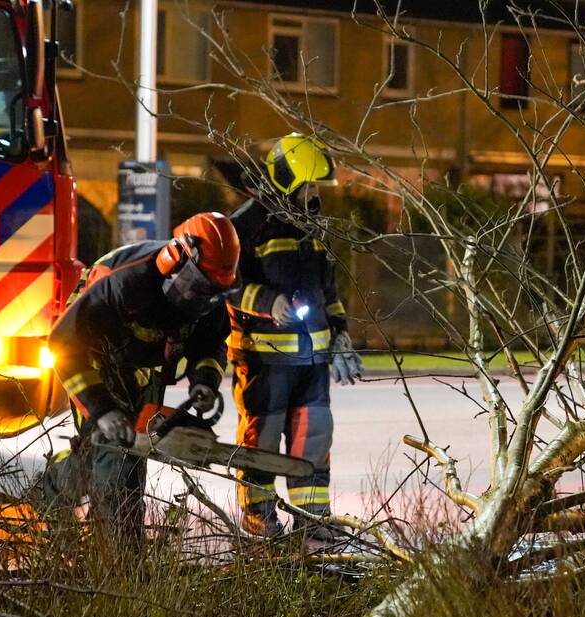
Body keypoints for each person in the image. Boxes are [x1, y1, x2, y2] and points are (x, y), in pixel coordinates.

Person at [42, 212, 239, 544]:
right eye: (197, 286)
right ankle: (114, 554)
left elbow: (210, 342)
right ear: (175, 261)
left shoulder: (210, 288)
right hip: (94, 360)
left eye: (212, 291)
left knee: (134, 455)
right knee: (109, 450)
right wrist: (102, 409)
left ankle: (124, 543)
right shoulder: (123, 281)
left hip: (144, 366)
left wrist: (204, 379)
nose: (201, 298)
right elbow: (63, 344)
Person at [227, 133, 363, 539]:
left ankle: (314, 521)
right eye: (310, 184)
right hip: (263, 361)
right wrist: (266, 301)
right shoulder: (246, 225)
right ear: (288, 180)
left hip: (312, 361)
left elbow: (328, 292)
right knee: (262, 442)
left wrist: (340, 335)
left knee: (314, 440)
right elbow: (227, 283)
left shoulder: (312, 225)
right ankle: (259, 517)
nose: (315, 193)